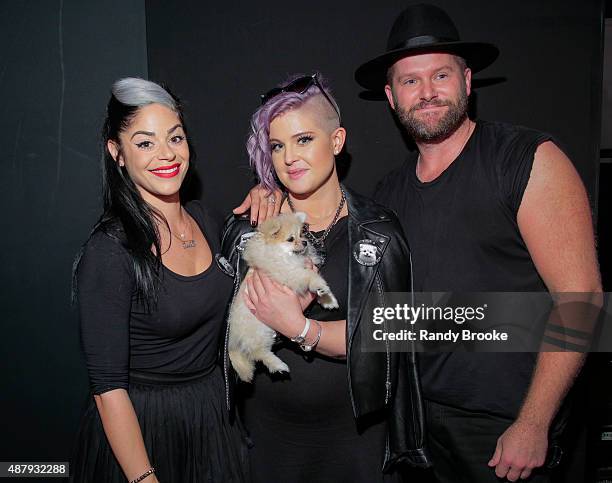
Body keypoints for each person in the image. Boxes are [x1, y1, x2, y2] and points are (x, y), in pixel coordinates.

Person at [352, 4, 602, 483]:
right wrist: (272, 193)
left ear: (467, 80)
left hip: (508, 431)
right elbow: (389, 318)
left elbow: (582, 300)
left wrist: (534, 421)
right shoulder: (388, 193)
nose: (426, 93)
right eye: (410, 81)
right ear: (390, 95)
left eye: (440, 75)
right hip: (418, 427)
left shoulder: (527, 160)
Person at [221, 73, 429, 483]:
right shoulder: (250, 228)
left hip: (354, 446)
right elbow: (220, 331)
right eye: (277, 146)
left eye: (303, 140)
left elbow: (391, 337)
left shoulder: (379, 232)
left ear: (336, 142)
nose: (288, 158)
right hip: (267, 444)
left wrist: (298, 327)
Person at [71, 78, 249, 483]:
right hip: (144, 429)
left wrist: (267, 194)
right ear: (117, 153)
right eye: (145, 143)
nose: (166, 154)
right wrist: (144, 478)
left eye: (175, 138)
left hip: (211, 416)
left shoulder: (208, 219)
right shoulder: (110, 251)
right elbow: (107, 389)